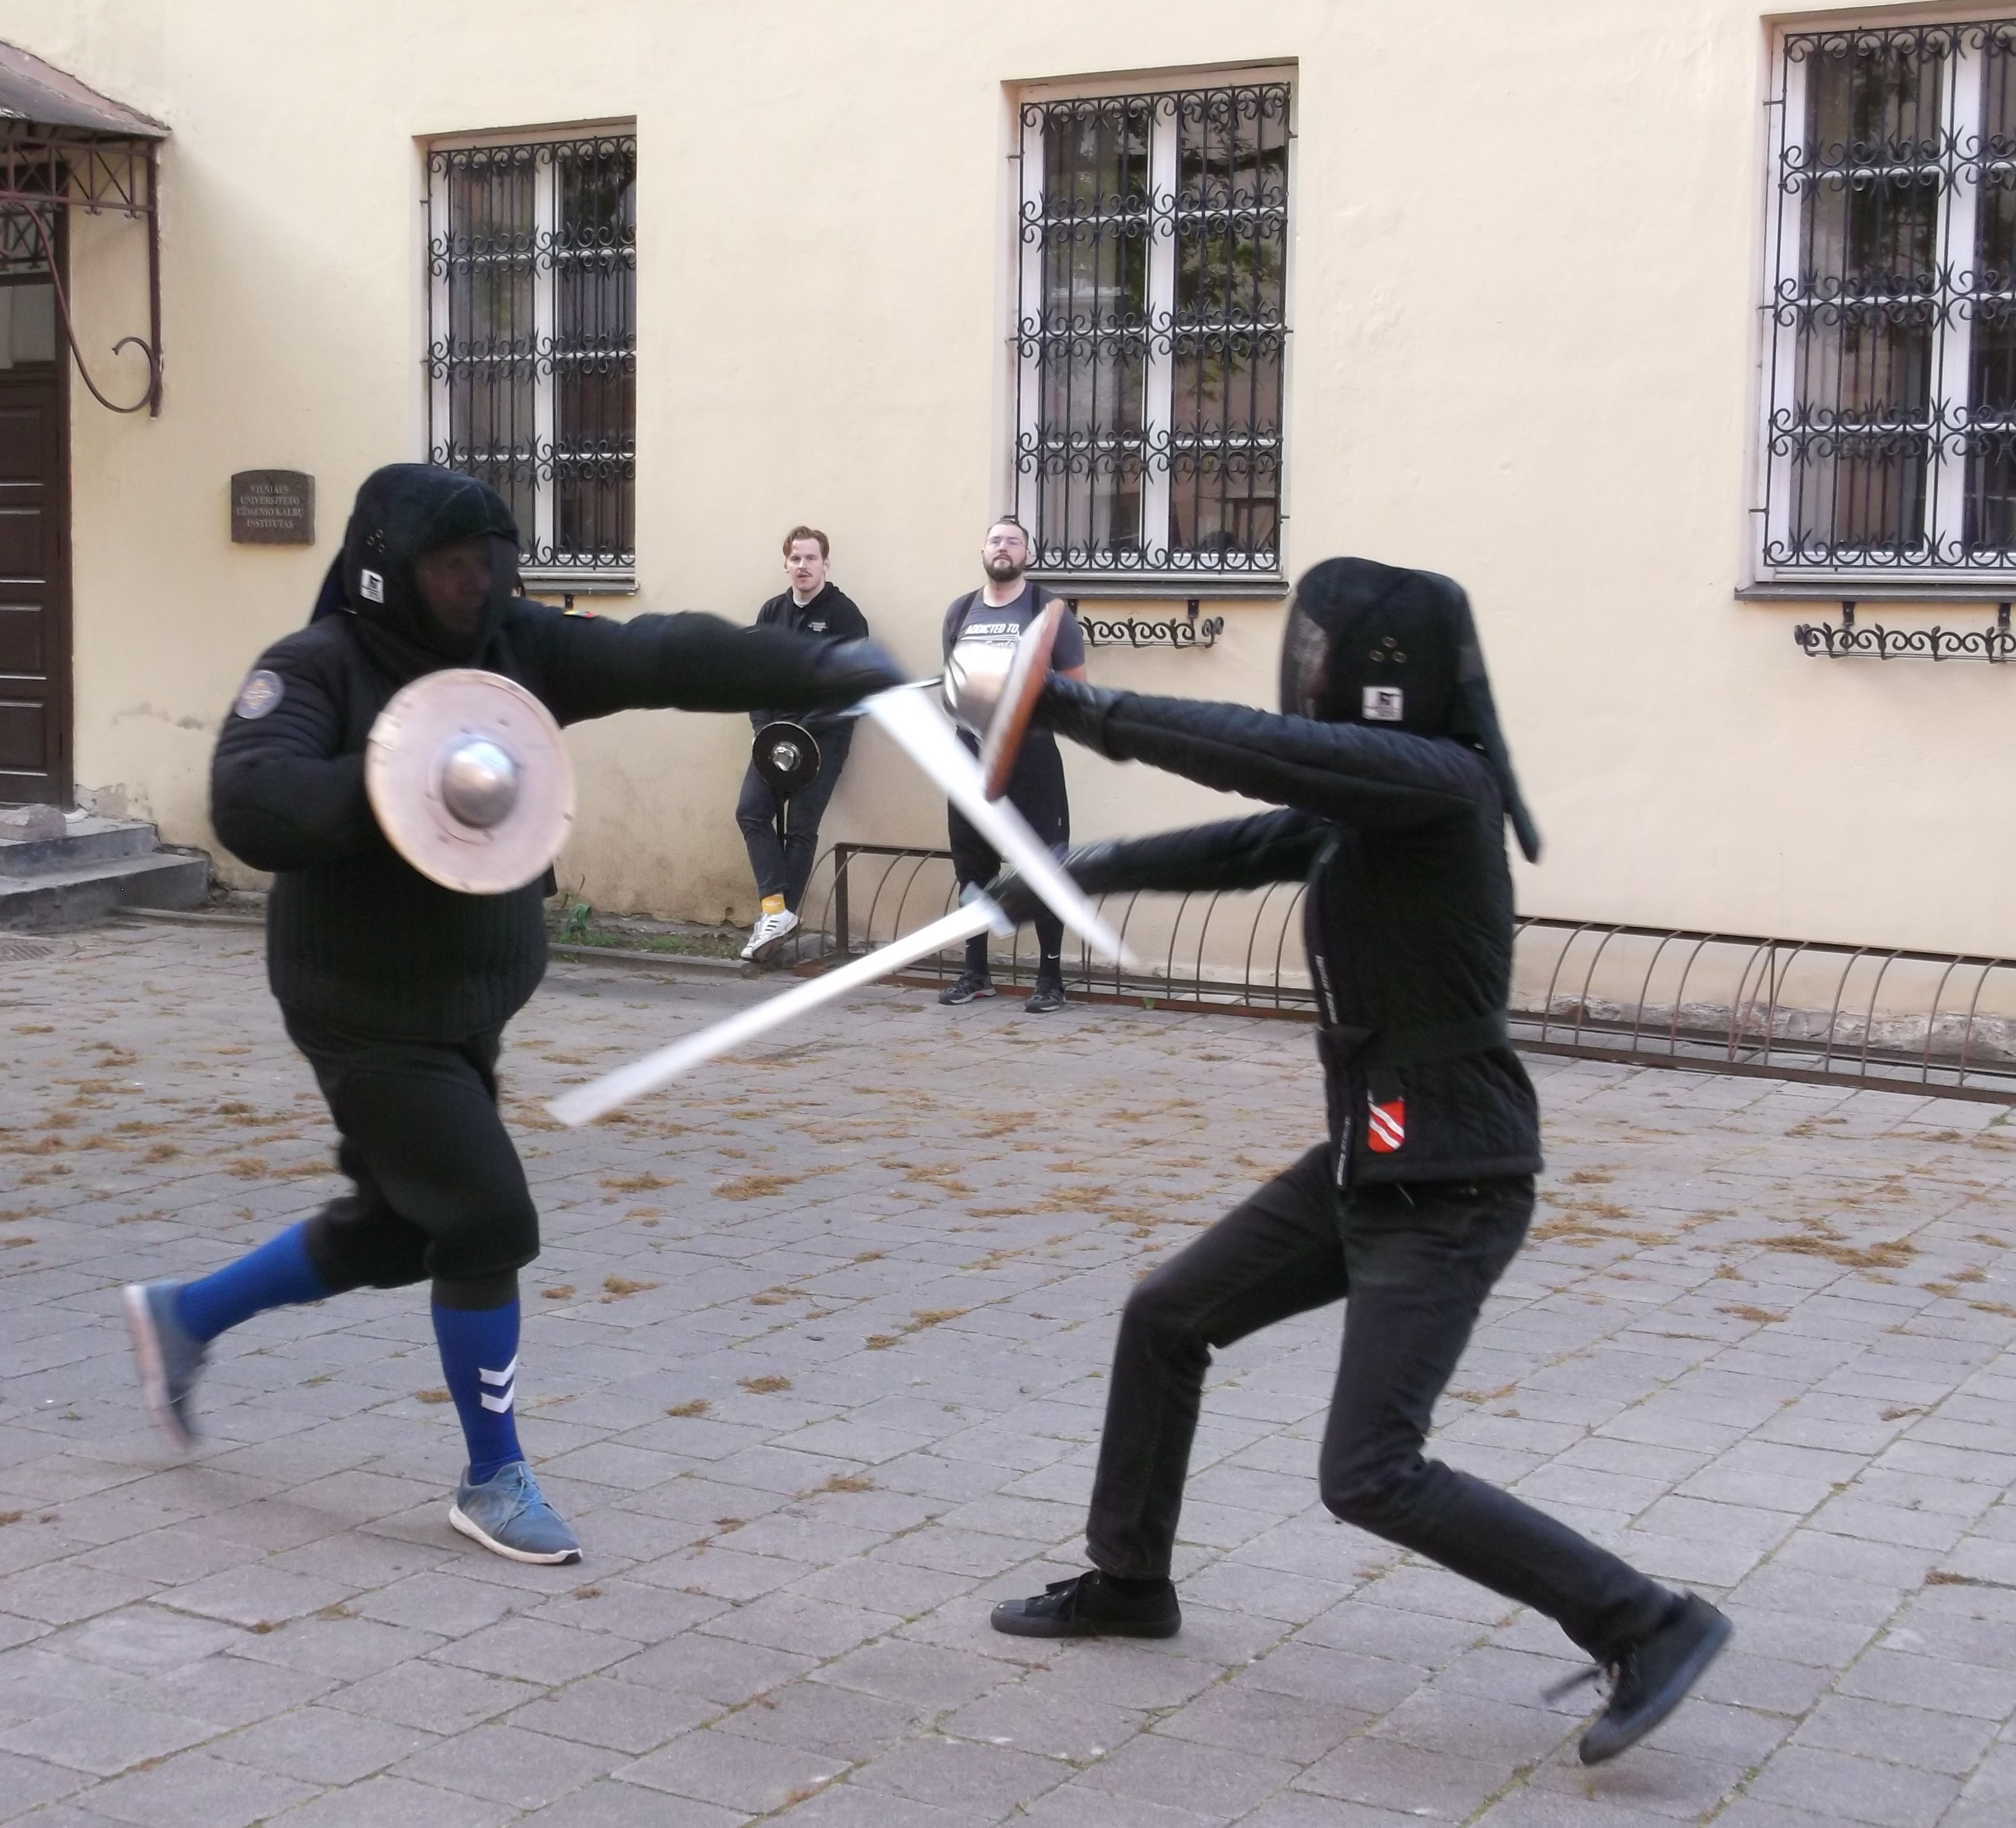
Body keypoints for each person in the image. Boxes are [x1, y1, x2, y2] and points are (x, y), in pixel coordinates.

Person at [983, 557, 1730, 1767]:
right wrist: (1076, 874)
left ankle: (1649, 1622)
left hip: (1452, 1185)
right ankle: (1128, 1582)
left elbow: (1264, 756)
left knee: (1370, 1470)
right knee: (1167, 1317)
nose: (1308, 670)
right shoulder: (1367, 807)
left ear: (1385, 673)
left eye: (1326, 654)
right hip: (1367, 1159)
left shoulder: (1435, 784)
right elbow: (1246, 839)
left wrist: (1077, 705)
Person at [121, 465, 902, 1566]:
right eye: (450, 567)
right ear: (390, 570)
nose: (475, 585)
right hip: (362, 1005)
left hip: (470, 996)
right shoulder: (316, 666)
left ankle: (183, 1316)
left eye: (489, 563)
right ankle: (492, 1476)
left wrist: (821, 665)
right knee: (487, 1217)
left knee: (400, 1228)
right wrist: (402, 774)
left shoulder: (513, 645)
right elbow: (249, 800)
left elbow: (658, 655)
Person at [938, 515, 1087, 1013]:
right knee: (973, 868)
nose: (1003, 547)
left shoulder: (1050, 612)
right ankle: (976, 973)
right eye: (995, 540)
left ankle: (1051, 980)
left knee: (1043, 864)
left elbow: (1078, 691)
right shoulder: (960, 612)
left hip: (1032, 757)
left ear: (1028, 554)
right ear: (984, 552)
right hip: (970, 756)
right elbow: (955, 683)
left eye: (1013, 542)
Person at [734, 525, 869, 962]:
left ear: (826, 564)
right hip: (774, 737)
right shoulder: (772, 612)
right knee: (752, 812)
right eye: (796, 558)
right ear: (785, 564)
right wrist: (764, 728)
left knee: (800, 828)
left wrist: (807, 728)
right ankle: (777, 911)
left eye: (811, 558)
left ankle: (779, 919)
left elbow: (852, 687)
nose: (803, 566)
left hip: (823, 739)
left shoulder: (845, 616)